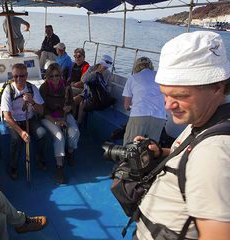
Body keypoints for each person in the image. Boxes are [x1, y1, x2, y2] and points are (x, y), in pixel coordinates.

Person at [134, 31, 230, 239]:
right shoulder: (204, 120)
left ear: (217, 87)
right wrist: (162, 152)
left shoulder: (213, 153)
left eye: (179, 96)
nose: (168, 106)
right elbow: (191, 156)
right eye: (165, 94)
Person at [1, 63, 50, 180]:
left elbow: (41, 110)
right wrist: (21, 132)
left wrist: (32, 101)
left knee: (42, 134)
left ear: (26, 75)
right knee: (16, 139)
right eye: (15, 76)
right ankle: (13, 167)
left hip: (30, 118)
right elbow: (7, 116)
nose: (19, 79)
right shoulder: (8, 91)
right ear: (12, 76)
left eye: (22, 76)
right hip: (14, 121)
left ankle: (40, 158)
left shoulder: (32, 88)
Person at [39, 63, 80, 184]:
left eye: (57, 75)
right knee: (59, 136)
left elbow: (72, 102)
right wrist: (56, 121)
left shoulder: (66, 86)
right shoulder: (44, 88)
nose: (55, 78)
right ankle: (60, 167)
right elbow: (42, 109)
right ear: (47, 77)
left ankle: (70, 151)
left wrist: (69, 108)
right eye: (51, 76)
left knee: (75, 133)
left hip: (64, 114)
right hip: (49, 116)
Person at [122, 57, 166, 145]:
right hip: (160, 117)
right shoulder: (160, 77)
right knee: (151, 148)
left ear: (136, 67)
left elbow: (126, 106)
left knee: (130, 146)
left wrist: (131, 108)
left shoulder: (133, 78)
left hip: (139, 115)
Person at [74, 54, 115, 125]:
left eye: (106, 67)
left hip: (96, 96)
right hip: (86, 92)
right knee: (73, 100)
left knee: (82, 104)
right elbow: (83, 79)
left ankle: (79, 123)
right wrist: (95, 72)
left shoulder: (108, 74)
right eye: (104, 66)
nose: (105, 68)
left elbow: (108, 88)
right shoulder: (92, 68)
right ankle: (72, 118)